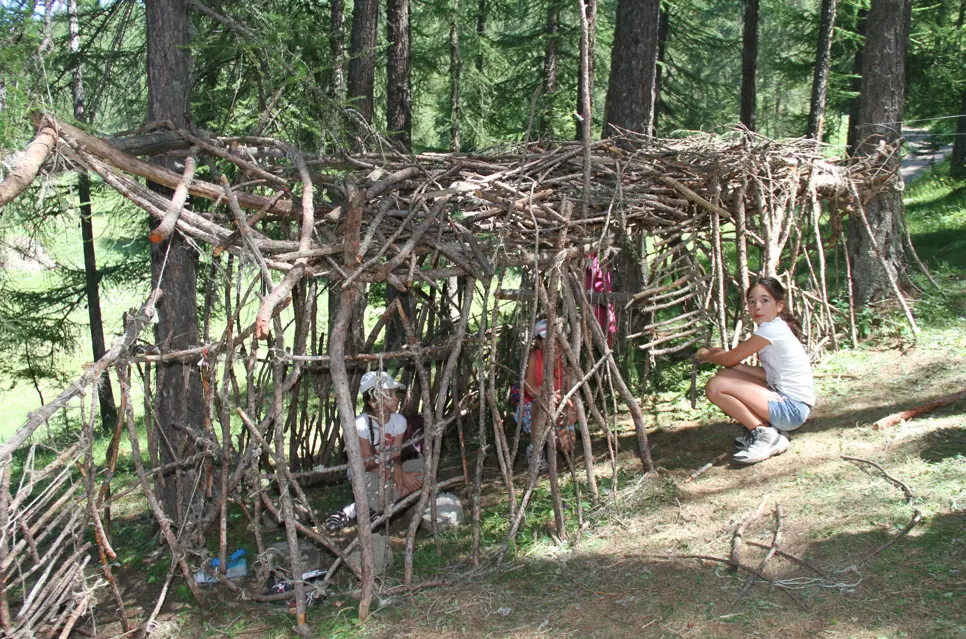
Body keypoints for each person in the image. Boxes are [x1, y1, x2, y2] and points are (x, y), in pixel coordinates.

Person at [696, 276, 815, 465]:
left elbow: (729, 358)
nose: (757, 307)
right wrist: (736, 366)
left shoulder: (770, 330)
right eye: (752, 302)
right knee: (724, 376)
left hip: (792, 410)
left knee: (715, 386)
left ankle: (766, 435)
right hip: (791, 403)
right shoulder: (775, 327)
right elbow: (767, 374)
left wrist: (705, 354)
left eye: (764, 300)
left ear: (779, 306)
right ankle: (769, 430)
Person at [325, 371, 423, 531]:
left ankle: (369, 506)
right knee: (386, 482)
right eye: (389, 394)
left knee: (424, 469)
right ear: (372, 402)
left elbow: (396, 454)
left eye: (395, 393)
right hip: (365, 471)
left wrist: (397, 468)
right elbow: (369, 463)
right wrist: (402, 477)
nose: (396, 397)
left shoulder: (399, 421)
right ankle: (361, 508)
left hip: (388, 468)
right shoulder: (360, 425)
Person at [518, 319, 577, 471]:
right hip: (533, 408)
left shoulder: (566, 362)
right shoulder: (534, 357)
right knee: (543, 404)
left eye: (559, 340)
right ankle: (535, 452)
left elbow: (570, 393)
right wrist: (549, 395)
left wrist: (571, 410)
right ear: (539, 342)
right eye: (549, 341)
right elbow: (530, 388)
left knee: (567, 445)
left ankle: (551, 441)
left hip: (558, 409)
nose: (555, 345)